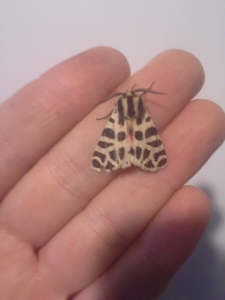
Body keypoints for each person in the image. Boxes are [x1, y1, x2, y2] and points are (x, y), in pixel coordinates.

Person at [0, 47, 224, 300]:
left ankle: (122, 156)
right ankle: (140, 156)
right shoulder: (137, 104)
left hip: (118, 132)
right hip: (139, 131)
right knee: (147, 147)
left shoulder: (123, 104)